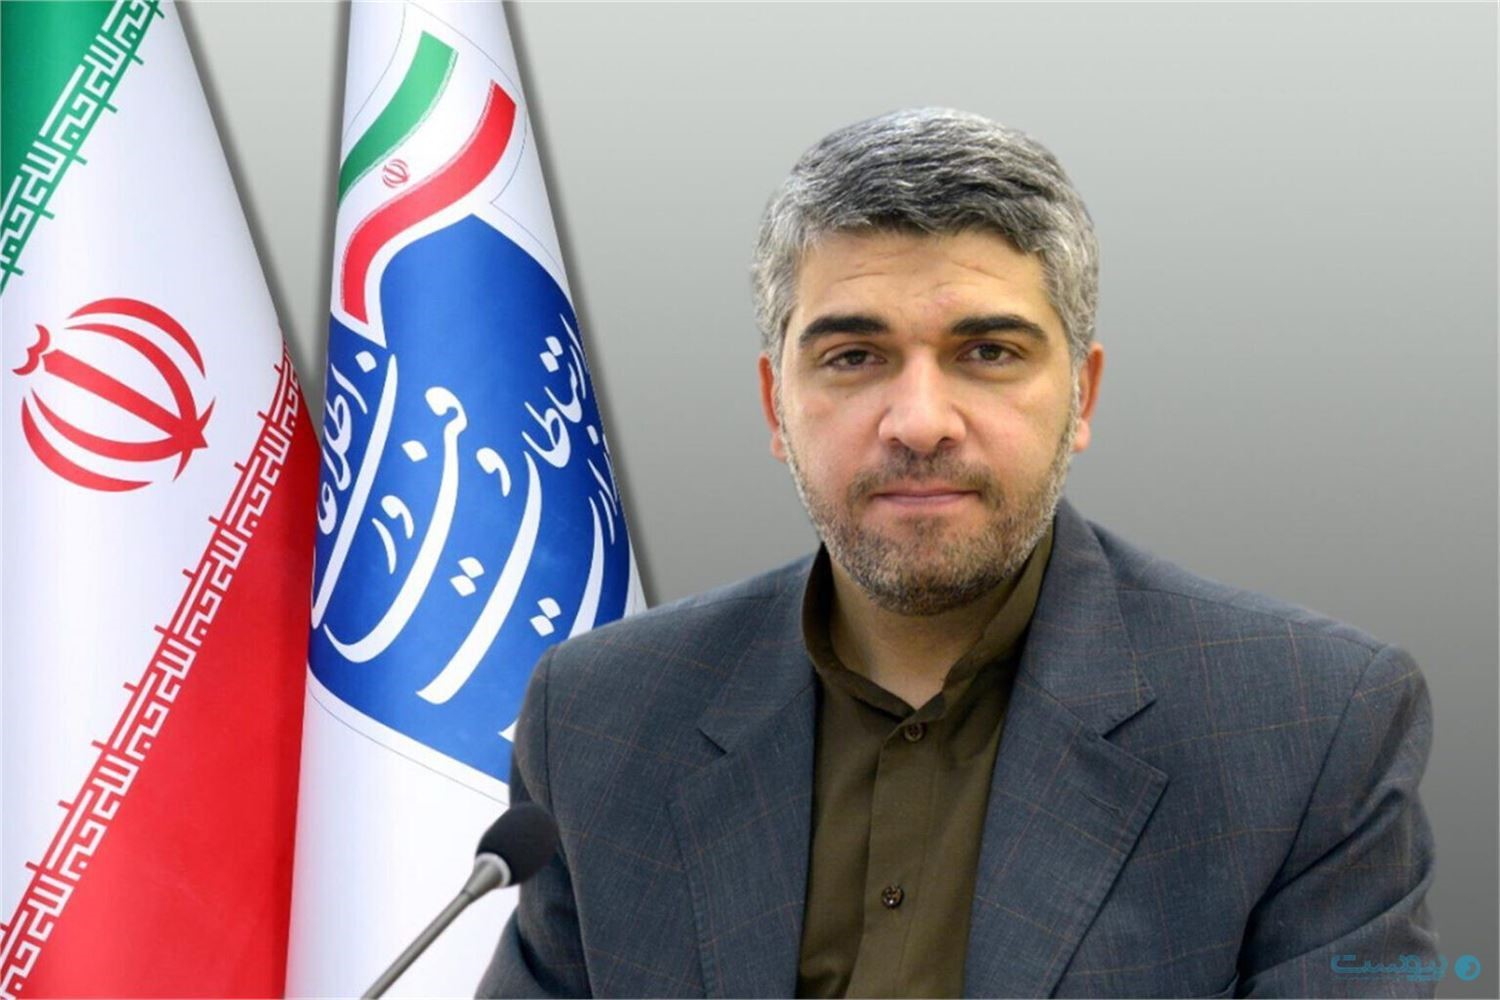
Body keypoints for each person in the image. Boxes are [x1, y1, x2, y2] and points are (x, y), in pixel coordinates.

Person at [478, 108, 1436, 999]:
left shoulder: (1310, 726)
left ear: (1084, 396)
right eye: (855, 357)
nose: (920, 421)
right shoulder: (600, 719)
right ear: (776, 405)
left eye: (988, 353)